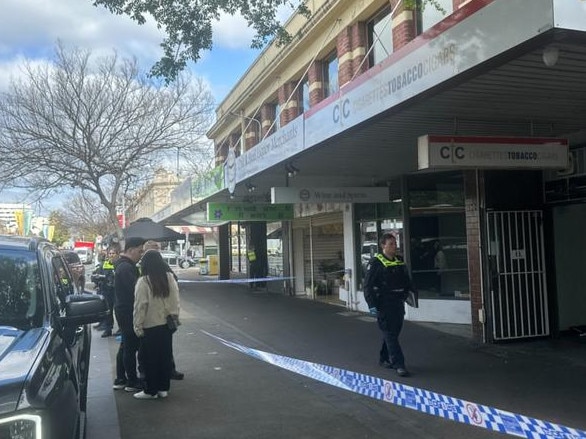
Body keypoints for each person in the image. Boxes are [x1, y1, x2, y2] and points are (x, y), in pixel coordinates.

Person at [364, 233, 416, 378]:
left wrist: (410, 293)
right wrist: (372, 305)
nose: (395, 246)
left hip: (398, 303)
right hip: (384, 303)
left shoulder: (399, 261)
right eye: (391, 244)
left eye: (395, 243)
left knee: (394, 333)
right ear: (383, 246)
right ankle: (399, 364)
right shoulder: (376, 263)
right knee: (390, 333)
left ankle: (383, 358)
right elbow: (367, 285)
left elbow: (406, 280)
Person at [133, 250, 180, 399]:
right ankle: (163, 388)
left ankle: (150, 390)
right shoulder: (169, 278)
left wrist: (137, 325)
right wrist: (174, 316)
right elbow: (175, 300)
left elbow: (140, 306)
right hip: (167, 324)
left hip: (150, 325)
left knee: (148, 359)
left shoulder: (143, 281)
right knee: (164, 356)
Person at [141, 240, 185, 381]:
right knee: (154, 349)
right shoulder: (145, 267)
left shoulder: (158, 266)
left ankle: (162, 375)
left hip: (158, 315)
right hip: (156, 314)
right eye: (156, 249)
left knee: (160, 349)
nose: (158, 251)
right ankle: (157, 376)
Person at [112, 237, 145, 392]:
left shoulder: (124, 265)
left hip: (123, 309)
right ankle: (131, 380)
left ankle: (121, 378)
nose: (141, 254)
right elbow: (135, 290)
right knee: (130, 346)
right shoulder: (126, 268)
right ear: (131, 250)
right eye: (140, 251)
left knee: (126, 344)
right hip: (127, 310)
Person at [91, 243, 120, 337]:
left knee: (118, 310)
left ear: (117, 254)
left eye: (113, 253)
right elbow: (98, 274)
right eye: (110, 253)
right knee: (108, 310)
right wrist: (97, 278)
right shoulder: (105, 264)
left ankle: (120, 329)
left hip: (116, 290)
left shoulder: (120, 264)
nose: (111, 255)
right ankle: (108, 329)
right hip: (106, 290)